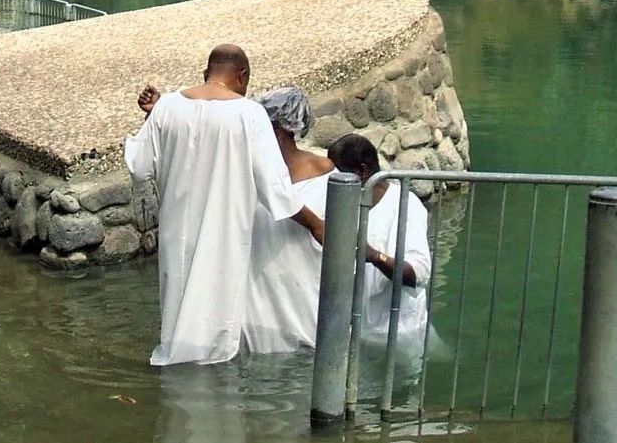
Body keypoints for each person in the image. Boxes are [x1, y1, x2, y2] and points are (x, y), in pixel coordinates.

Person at [125, 45, 325, 366]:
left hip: (176, 237)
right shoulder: (250, 114)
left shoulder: (167, 107)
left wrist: (155, 118)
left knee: (177, 310)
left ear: (207, 72)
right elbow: (275, 189)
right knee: (216, 321)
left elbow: (139, 167)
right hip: (224, 237)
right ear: (242, 76)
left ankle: (175, 366)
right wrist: (315, 223)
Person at [243, 87, 335, 354]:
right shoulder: (248, 171)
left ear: (279, 130)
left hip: (303, 280)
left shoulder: (325, 172)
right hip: (258, 281)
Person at [326, 135, 432, 350]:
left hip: (399, 335)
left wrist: (375, 256)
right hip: (355, 332)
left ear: (361, 171)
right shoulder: (344, 205)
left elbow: (418, 274)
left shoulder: (406, 206)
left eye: (338, 172)